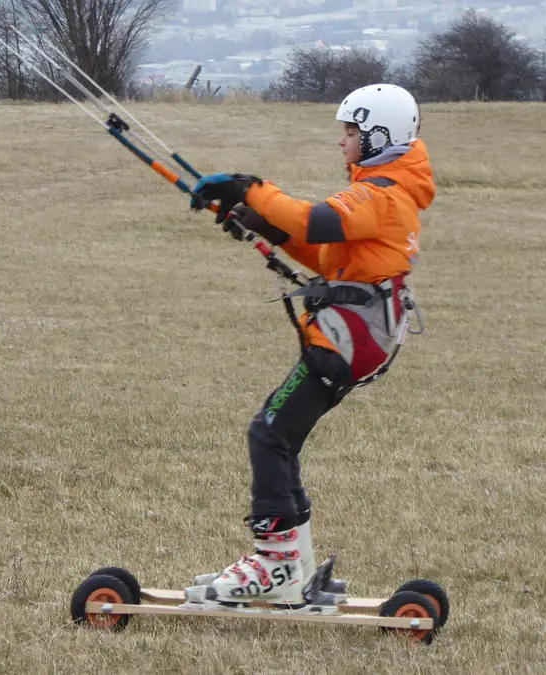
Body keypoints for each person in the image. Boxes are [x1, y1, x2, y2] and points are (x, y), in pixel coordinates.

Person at [187, 83, 436, 605]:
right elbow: (328, 258)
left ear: (378, 136)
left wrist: (247, 187)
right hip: (355, 338)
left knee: (269, 433)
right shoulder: (386, 187)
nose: (341, 141)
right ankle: (290, 565)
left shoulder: (382, 193)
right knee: (280, 435)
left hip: (348, 342)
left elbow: (314, 220)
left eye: (350, 132)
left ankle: (275, 564)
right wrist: (263, 227)